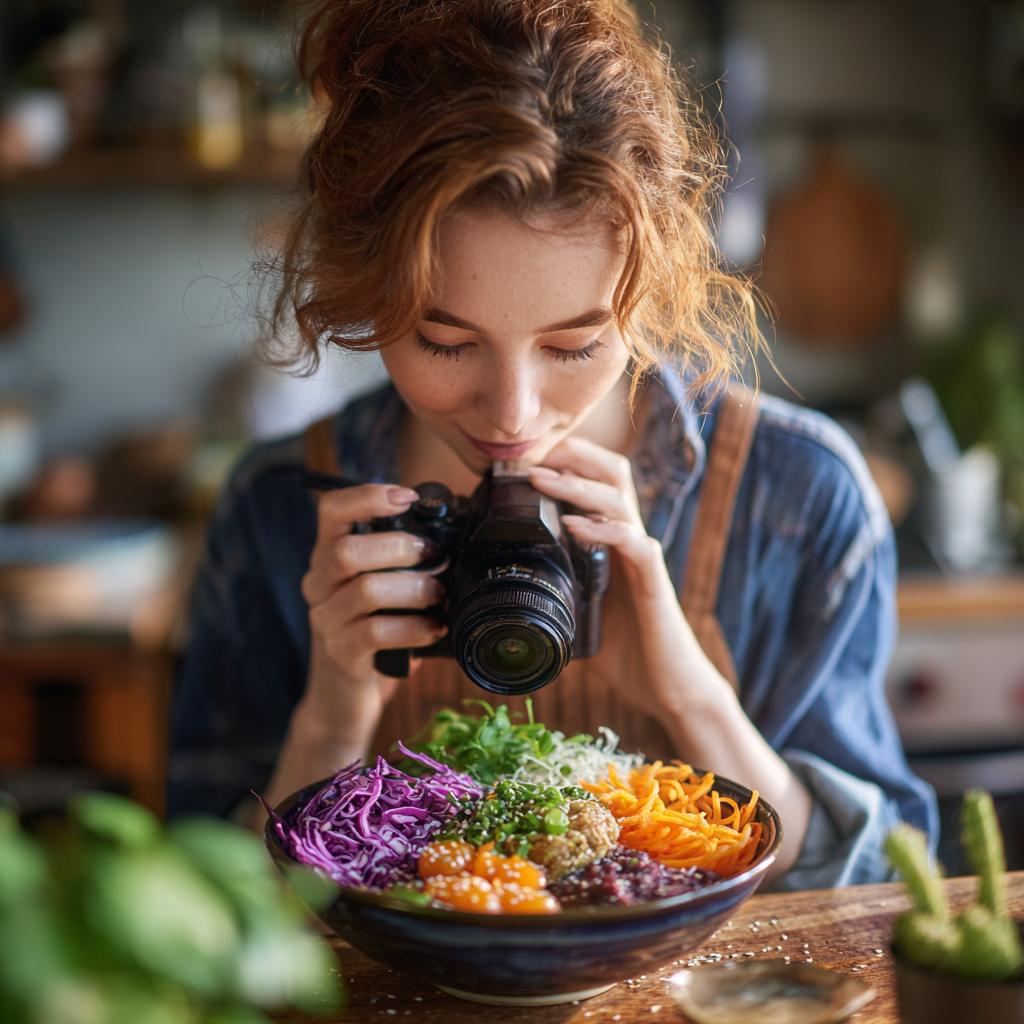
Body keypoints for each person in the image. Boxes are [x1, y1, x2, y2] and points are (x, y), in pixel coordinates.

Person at [168, 0, 936, 890]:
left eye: (574, 345)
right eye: (444, 341)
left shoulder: (801, 496)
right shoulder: (274, 509)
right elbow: (197, 914)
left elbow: (890, 890)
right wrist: (331, 723)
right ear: (365, 294)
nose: (512, 414)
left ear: (645, 299)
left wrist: (690, 697)